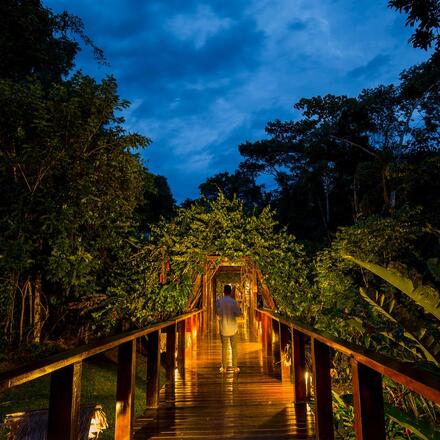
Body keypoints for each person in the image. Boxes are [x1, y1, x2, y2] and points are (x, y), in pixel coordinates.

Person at [216, 284, 242, 373]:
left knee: (224, 347)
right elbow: (238, 314)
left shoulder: (219, 301)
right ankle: (235, 367)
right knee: (234, 348)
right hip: (233, 328)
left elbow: (218, 313)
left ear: (223, 291)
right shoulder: (234, 302)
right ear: (230, 292)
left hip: (223, 327)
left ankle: (224, 367)